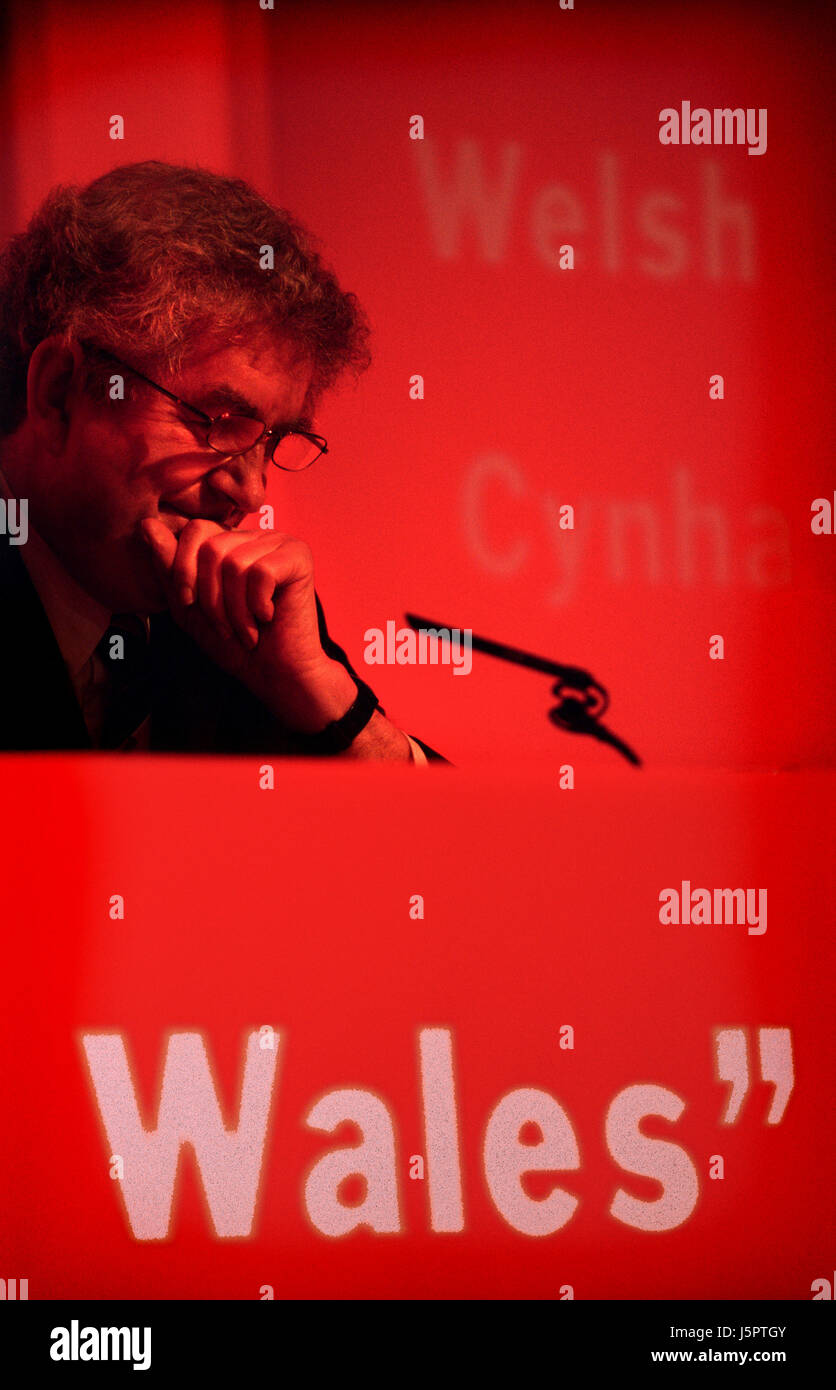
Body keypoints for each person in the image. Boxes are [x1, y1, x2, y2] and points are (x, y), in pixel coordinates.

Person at [0, 161, 444, 761]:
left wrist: (329, 703)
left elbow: (454, 850)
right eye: (216, 422)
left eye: (272, 441)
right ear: (59, 394)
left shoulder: (245, 617)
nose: (253, 492)